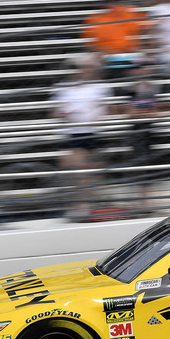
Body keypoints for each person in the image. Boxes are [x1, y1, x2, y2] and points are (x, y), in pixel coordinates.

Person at [50, 53, 113, 219]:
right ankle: (78, 205)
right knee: (73, 170)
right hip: (72, 133)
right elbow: (54, 112)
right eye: (78, 68)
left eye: (86, 67)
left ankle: (89, 205)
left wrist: (99, 115)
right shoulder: (62, 88)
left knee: (91, 170)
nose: (82, 71)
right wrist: (63, 113)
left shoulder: (99, 87)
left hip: (92, 132)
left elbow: (109, 108)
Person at [115, 58, 170, 212]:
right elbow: (122, 110)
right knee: (139, 165)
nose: (141, 71)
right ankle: (143, 201)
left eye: (144, 67)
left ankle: (149, 201)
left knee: (151, 166)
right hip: (136, 130)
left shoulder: (157, 87)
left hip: (152, 130)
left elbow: (169, 105)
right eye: (138, 68)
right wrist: (146, 111)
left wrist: (152, 111)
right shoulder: (128, 89)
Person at [81, 0, 150, 78]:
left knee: (142, 63)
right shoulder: (93, 19)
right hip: (107, 55)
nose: (107, 5)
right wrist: (103, 50)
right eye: (105, 2)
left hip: (132, 53)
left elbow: (149, 27)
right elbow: (89, 43)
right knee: (93, 61)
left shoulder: (131, 11)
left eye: (110, 2)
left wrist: (142, 45)